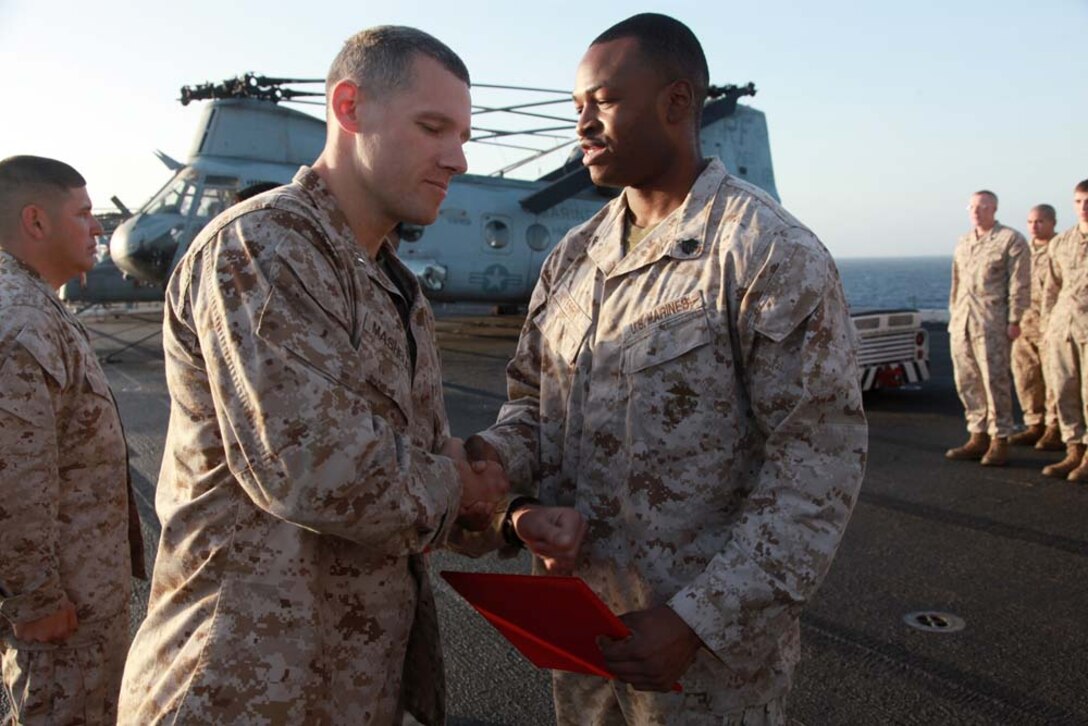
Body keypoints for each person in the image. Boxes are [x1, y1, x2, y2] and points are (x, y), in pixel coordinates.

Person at [118, 26, 584, 725]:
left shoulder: (392, 285)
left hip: (345, 687)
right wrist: (462, 482)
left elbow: (414, 471)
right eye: (432, 128)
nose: (456, 157)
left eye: (462, 135)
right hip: (238, 689)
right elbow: (316, 471)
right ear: (349, 108)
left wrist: (508, 518)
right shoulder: (264, 250)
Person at [466, 14, 867, 724]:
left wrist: (697, 620)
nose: (582, 125)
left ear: (677, 103)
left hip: (708, 667)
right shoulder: (573, 258)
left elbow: (817, 464)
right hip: (585, 639)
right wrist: (497, 479)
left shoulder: (766, 251)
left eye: (605, 101)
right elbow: (530, 404)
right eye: (576, 108)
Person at [0, 155, 145, 724]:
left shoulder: (37, 307)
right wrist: (34, 599)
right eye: (84, 214)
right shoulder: (18, 325)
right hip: (59, 619)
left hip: (81, 604)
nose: (98, 228)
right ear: (36, 222)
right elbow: (12, 475)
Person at [945, 190, 1030, 466]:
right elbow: (956, 283)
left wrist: (1015, 320)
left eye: (982, 207)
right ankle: (977, 434)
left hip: (992, 322)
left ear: (994, 208)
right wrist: (953, 315)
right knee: (967, 381)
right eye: (971, 207)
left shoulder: (1010, 240)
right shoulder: (963, 242)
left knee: (995, 382)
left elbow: (1019, 283)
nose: (975, 212)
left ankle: (999, 438)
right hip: (963, 323)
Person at [1040, 179, 1088, 481]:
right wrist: (1047, 328)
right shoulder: (1061, 243)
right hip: (1063, 328)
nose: (1084, 207)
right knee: (1065, 389)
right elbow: (1051, 289)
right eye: (1079, 201)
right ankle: (1074, 449)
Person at [1009, 204, 1062, 449]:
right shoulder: (1021, 252)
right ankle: (1034, 424)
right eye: (1030, 222)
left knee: (1055, 379)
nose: (1034, 226)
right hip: (1024, 325)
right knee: (1026, 376)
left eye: (1040, 221)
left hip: (1052, 325)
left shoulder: (1061, 249)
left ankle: (1055, 426)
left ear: (1052, 223)